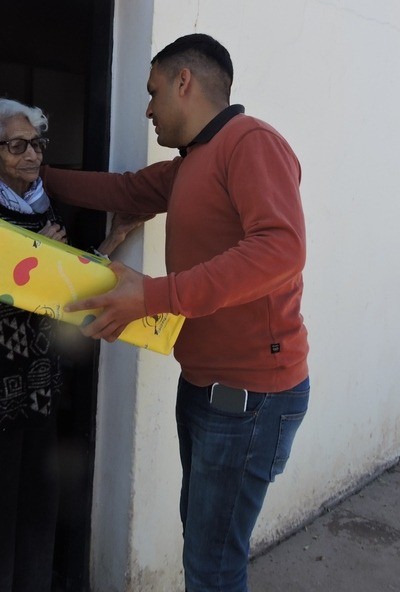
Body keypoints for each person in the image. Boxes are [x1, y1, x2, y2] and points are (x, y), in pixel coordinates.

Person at [41, 34, 310, 592]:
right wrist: (35, 176)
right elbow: (124, 189)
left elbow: (280, 249)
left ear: (184, 82)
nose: (147, 108)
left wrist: (155, 296)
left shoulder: (250, 142)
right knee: (205, 549)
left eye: (153, 91)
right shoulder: (192, 163)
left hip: (249, 398)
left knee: (211, 567)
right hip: (209, 387)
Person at [0, 97, 144, 592]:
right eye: (16, 145)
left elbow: (63, 286)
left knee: (38, 507)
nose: (32, 155)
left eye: (36, 143)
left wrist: (111, 242)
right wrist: (43, 256)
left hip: (38, 385)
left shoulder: (39, 205)